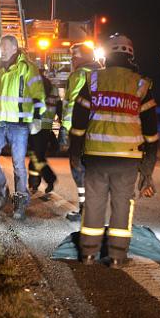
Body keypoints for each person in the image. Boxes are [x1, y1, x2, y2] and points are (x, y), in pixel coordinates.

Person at [70, 33, 159, 267]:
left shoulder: (93, 80)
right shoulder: (141, 84)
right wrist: (148, 167)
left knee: (94, 203)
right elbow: (151, 131)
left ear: (107, 54)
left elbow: (78, 122)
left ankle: (88, 254)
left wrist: (74, 152)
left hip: (96, 155)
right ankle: (118, 256)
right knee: (122, 205)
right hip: (128, 157)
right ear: (130, 55)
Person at [0, 35, 45, 220]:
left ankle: (21, 201)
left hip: (19, 124)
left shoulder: (27, 68)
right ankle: (2, 189)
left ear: (15, 48)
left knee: (18, 164)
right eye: (1, 47)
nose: (2, 50)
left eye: (5, 47)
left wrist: (37, 117)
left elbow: (38, 94)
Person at [62, 42, 103, 222]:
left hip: (79, 129)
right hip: (98, 130)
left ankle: (85, 210)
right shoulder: (102, 73)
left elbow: (74, 105)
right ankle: (92, 209)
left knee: (78, 168)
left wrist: (65, 128)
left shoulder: (79, 74)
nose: (72, 60)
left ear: (83, 58)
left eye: (74, 56)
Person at [27, 70, 58, 194]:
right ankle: (34, 182)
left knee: (36, 156)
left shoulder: (34, 87)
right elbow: (58, 105)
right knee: (36, 155)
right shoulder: (53, 87)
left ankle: (45, 180)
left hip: (35, 125)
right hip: (46, 125)